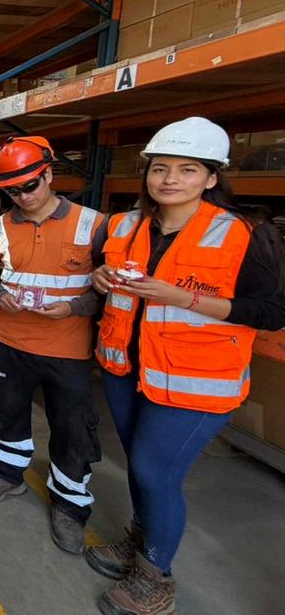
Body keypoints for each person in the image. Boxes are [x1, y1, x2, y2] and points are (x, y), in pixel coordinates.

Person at [86, 117, 285, 615]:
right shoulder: (123, 224)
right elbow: (103, 277)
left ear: (212, 177)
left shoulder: (244, 235)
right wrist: (100, 276)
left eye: (187, 169)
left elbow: (271, 312)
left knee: (154, 472)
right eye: (159, 168)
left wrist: (183, 298)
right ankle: (141, 542)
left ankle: (157, 576)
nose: (170, 179)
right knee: (140, 466)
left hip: (197, 382)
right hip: (127, 370)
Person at [0, 135, 105, 556]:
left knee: (71, 426)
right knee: (7, 411)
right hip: (11, 340)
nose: (23, 196)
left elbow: (109, 286)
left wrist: (74, 308)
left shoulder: (93, 224)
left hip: (68, 347)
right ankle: (7, 473)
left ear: (48, 174)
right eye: (12, 190)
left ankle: (69, 505)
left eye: (30, 185)